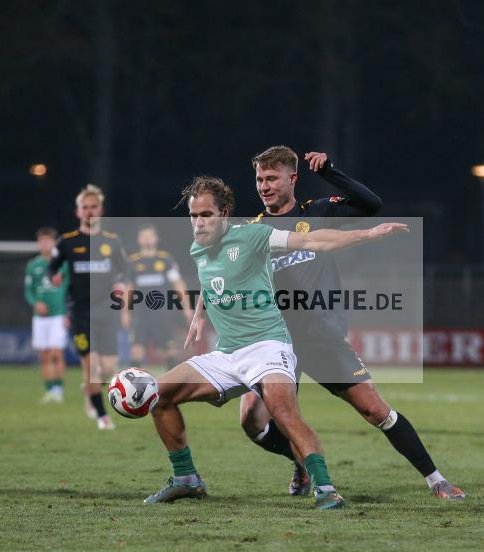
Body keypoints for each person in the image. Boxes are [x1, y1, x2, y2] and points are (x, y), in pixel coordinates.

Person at [144, 175, 407, 509]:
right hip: (227, 353)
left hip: (269, 347)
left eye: (206, 215)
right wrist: (200, 312)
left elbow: (313, 242)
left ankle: (325, 488)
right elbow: (215, 283)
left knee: (283, 414)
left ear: (224, 214)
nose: (198, 223)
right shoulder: (199, 248)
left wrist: (367, 234)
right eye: (194, 216)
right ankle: (186, 479)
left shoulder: (253, 235)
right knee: (158, 395)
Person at [238, 145, 465, 500]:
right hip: (278, 342)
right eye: (259, 179)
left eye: (271, 178)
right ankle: (301, 462)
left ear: (292, 179)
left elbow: (371, 204)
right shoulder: (252, 231)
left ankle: (437, 480)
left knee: (375, 409)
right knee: (252, 420)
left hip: (321, 337)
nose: (264, 186)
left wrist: (330, 172)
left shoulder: (317, 213)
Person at [48, 184, 130, 430]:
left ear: (101, 210)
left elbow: (124, 269)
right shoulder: (67, 242)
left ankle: (90, 391)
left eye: (93, 206)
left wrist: (120, 283)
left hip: (107, 311)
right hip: (81, 312)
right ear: (78, 212)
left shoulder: (112, 242)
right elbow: (52, 266)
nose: (89, 211)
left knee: (107, 369)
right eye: (85, 207)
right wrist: (54, 275)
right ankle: (103, 416)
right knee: (91, 366)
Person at [127, 224, 194, 370]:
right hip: (140, 315)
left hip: (162, 314)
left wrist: (187, 308)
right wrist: (124, 312)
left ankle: (171, 389)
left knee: (169, 351)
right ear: (139, 239)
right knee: (136, 351)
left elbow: (178, 285)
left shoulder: (166, 260)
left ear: (156, 238)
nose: (147, 239)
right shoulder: (132, 262)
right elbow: (128, 289)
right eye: (144, 236)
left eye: (150, 236)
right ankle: (134, 389)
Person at [24, 227, 69, 403]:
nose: (45, 243)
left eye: (48, 240)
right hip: (39, 318)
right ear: (38, 244)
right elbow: (28, 291)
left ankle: (58, 389)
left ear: (54, 243)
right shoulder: (33, 265)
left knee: (56, 354)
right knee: (43, 356)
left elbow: (68, 288)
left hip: (58, 315)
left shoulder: (62, 264)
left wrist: (67, 311)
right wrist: (35, 302)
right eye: (41, 241)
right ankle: (49, 390)